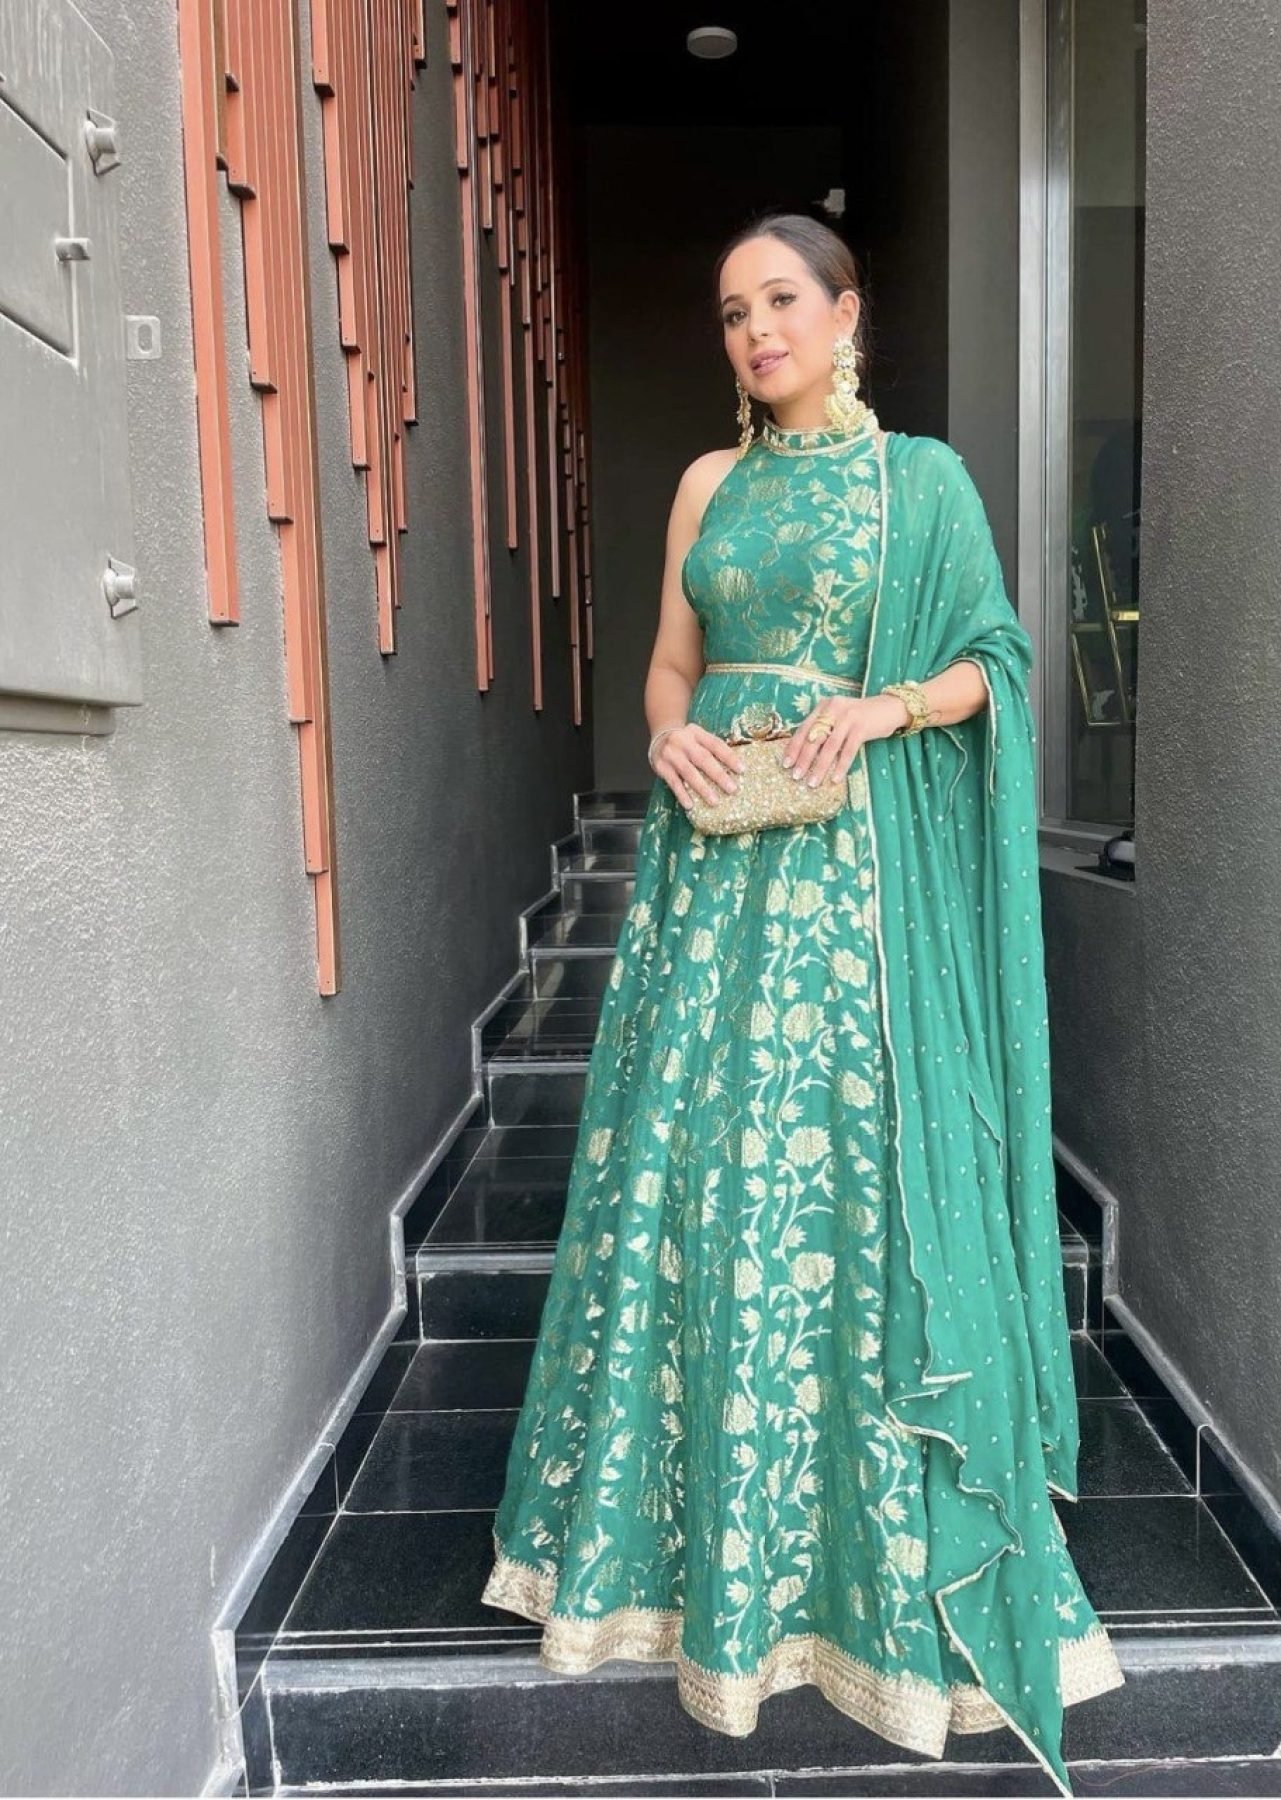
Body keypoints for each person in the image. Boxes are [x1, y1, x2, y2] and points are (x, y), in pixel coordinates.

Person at [480, 211, 1125, 1796]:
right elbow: (669, 665)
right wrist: (669, 737)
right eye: (730, 312)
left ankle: (873, 1581)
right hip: (711, 883)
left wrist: (885, 705)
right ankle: (692, 1569)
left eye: (780, 300)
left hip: (858, 894)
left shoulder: (925, 485)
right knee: (702, 1184)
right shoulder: (710, 485)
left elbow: (996, 661)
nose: (754, 330)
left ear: (847, 315)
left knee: (846, 1192)